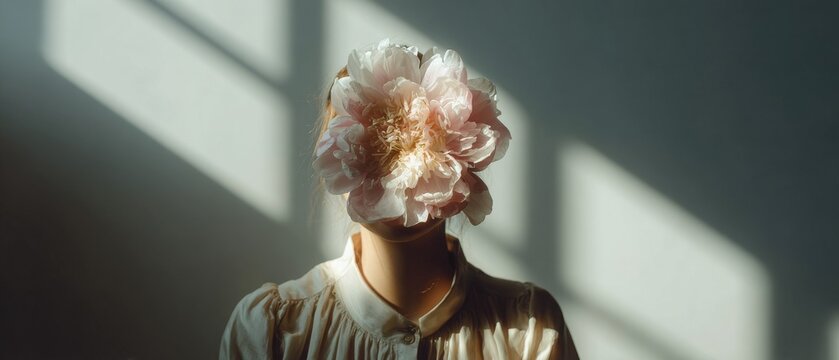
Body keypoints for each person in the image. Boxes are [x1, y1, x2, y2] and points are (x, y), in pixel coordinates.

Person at [220, 39, 578, 359]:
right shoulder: (272, 330)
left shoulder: (531, 330)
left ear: (465, 155)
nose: (392, 180)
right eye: (360, 139)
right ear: (332, 160)